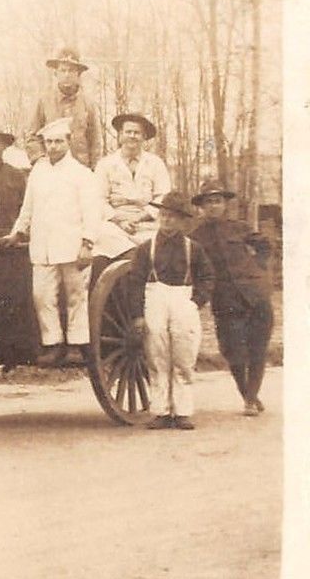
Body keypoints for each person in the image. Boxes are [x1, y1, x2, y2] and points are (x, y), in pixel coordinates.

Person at [0, 118, 101, 367]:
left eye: (58, 142)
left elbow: (92, 212)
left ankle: (76, 344)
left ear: (68, 142)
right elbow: (28, 208)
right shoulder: (38, 172)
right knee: (41, 295)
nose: (53, 147)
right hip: (42, 245)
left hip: (72, 244)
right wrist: (17, 233)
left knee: (75, 295)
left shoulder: (82, 174)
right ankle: (53, 343)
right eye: (49, 142)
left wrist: (88, 243)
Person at [129, 192, 215, 430]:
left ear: (181, 221)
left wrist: (196, 302)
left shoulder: (193, 249)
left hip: (183, 300)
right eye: (163, 216)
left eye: (172, 217)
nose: (167, 221)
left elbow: (207, 277)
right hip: (154, 299)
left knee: (184, 356)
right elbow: (135, 282)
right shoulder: (146, 249)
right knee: (157, 356)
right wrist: (137, 315)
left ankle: (183, 411)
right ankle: (161, 411)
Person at [189, 178, 274, 416]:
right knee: (233, 350)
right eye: (208, 202)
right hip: (225, 300)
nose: (213, 206)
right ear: (201, 207)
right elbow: (195, 269)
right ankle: (248, 394)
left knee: (258, 348)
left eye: (217, 201)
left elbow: (265, 246)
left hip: (256, 295)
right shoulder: (196, 237)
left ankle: (250, 398)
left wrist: (258, 269)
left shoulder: (241, 228)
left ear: (225, 204)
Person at [92, 112, 171, 261]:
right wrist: (119, 221)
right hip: (116, 224)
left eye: (137, 133)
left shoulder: (155, 163)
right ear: (120, 135)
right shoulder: (105, 164)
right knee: (101, 233)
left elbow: (163, 196)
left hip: (147, 222)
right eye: (128, 132)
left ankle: (134, 256)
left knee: (163, 239)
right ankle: (136, 257)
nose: (132, 136)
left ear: (144, 137)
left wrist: (142, 216)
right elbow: (98, 199)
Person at [27, 47, 102, 167]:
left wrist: (94, 170)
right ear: (56, 73)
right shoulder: (44, 101)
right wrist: (41, 161)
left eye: (71, 70)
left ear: (78, 74)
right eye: (63, 70)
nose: (67, 75)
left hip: (81, 170)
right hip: (52, 170)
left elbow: (95, 142)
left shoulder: (88, 104)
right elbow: (32, 137)